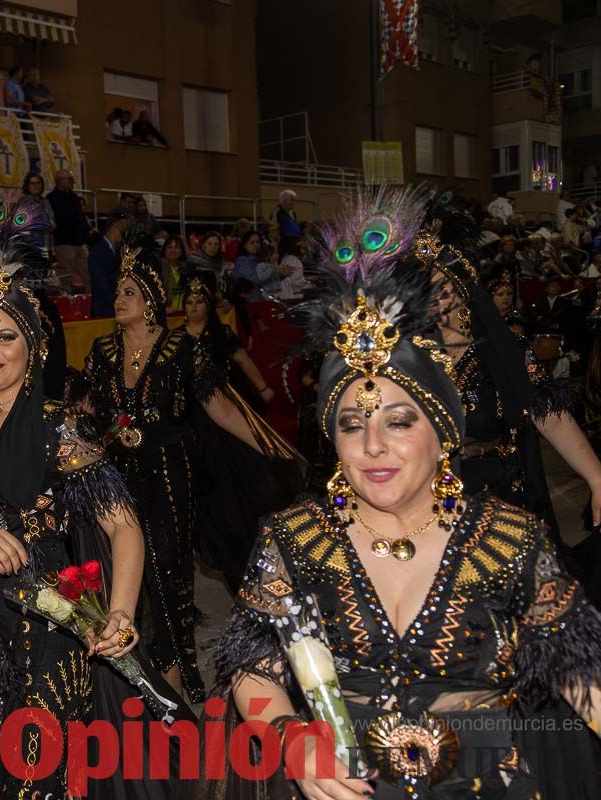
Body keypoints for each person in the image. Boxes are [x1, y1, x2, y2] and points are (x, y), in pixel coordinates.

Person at [213, 206, 601, 800]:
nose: (373, 446)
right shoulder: (294, 537)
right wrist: (292, 736)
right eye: (351, 424)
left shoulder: (510, 539)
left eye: (398, 420)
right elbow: (252, 668)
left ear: (443, 431)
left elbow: (581, 680)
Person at [0, 195, 188, 799]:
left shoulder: (56, 427)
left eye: (4, 335)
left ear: (33, 343)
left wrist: (121, 614)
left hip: (46, 629)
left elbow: (124, 525)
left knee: (40, 777)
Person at [82, 250, 282, 702]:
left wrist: (268, 447)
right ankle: (130, 668)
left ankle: (175, 674)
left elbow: (221, 408)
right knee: (119, 567)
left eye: (129, 292)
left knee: (167, 569)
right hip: (116, 473)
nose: (119, 299)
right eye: (117, 292)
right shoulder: (103, 350)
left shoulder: (181, 349)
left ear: (151, 301)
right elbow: (87, 410)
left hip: (169, 475)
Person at [418, 229, 601, 548]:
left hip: (496, 499)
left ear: (464, 291)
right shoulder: (409, 359)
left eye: (442, 288)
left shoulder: (506, 352)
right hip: (424, 500)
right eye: (422, 290)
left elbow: (550, 415)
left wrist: (597, 478)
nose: (433, 301)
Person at [178, 275, 305, 586]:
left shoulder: (220, 332)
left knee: (247, 478)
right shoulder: (176, 339)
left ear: (208, 306)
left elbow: (243, 359)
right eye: (189, 302)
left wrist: (262, 387)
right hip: (196, 421)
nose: (194, 307)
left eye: (199, 302)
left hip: (228, 406)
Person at [47, 169, 90, 291]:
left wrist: (84, 235)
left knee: (88, 274)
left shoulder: (74, 197)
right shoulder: (52, 198)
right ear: (59, 181)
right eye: (70, 179)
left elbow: (80, 218)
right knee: (65, 275)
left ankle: (91, 301)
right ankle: (65, 300)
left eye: (72, 179)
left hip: (80, 243)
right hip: (64, 242)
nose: (73, 181)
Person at [87, 211, 128, 317]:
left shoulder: (117, 252)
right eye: (123, 229)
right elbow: (102, 284)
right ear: (115, 226)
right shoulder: (97, 251)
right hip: (104, 312)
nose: (124, 234)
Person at [234, 229, 291, 300]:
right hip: (250, 300)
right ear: (245, 245)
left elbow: (268, 280)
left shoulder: (260, 259)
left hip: (264, 298)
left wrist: (282, 274)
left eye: (258, 242)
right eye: (252, 242)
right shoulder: (242, 261)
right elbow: (255, 280)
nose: (256, 245)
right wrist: (276, 272)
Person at [20, 172, 55, 253]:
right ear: (27, 186)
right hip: (30, 243)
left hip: (46, 241)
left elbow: (52, 222)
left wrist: (51, 223)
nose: (36, 186)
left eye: (38, 183)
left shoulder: (45, 201)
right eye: (33, 183)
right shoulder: (24, 202)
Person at [159, 236, 188, 311]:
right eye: (169, 247)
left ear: (181, 251)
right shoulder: (158, 267)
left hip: (185, 311)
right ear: (164, 250)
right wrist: (163, 308)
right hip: (167, 312)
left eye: (177, 247)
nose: (173, 250)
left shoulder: (186, 268)